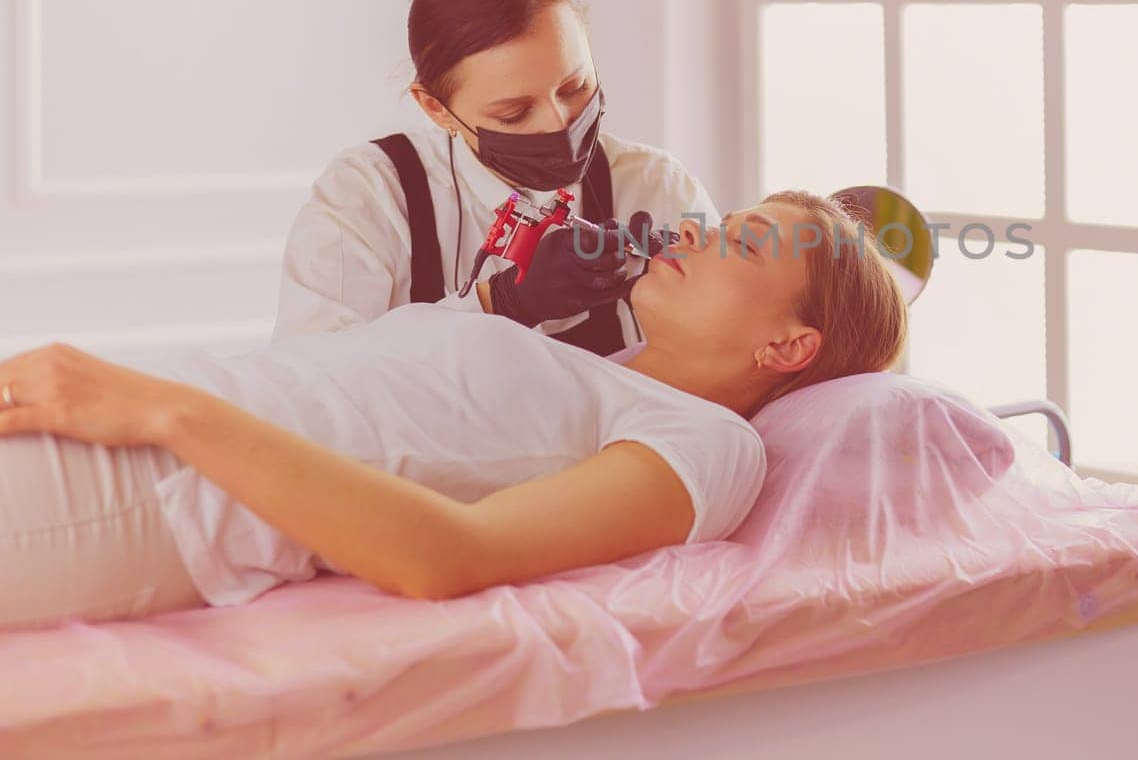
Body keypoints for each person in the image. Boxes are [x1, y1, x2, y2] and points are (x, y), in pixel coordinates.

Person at [0, 194, 908, 631]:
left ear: (789, 346)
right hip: (123, 398)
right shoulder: (583, 362)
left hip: (163, 479)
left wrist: (167, 414)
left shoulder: (709, 444)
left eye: (743, 243)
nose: (696, 231)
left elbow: (449, 556)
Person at [274, 0, 717, 356]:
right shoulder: (369, 197)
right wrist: (502, 303)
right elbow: (314, 383)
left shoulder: (654, 186)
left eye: (575, 86)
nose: (559, 124)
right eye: (514, 113)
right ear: (436, 108)